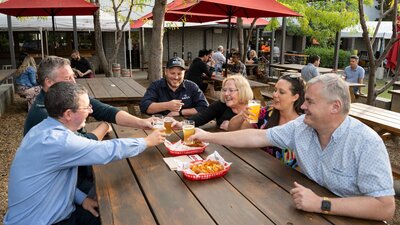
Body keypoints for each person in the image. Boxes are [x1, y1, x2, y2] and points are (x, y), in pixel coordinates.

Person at [190, 74, 395, 221]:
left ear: (335, 107)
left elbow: (385, 208)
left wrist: (321, 204)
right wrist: (208, 136)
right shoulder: (302, 126)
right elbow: (257, 136)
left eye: (310, 102)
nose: (303, 107)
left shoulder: (366, 143)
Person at [3, 82, 165, 225]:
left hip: (49, 213)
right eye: (86, 107)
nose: (90, 110)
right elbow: (107, 150)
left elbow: (51, 182)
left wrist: (82, 199)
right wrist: (147, 142)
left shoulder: (42, 129)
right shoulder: (60, 141)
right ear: (67, 114)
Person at [24, 56, 156, 137]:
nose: (73, 82)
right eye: (67, 78)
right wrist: (104, 127)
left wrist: (141, 122)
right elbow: (83, 143)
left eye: (73, 77)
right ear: (48, 82)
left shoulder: (64, 97)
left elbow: (103, 109)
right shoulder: (44, 113)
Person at [228, 74, 305, 167]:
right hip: (259, 169)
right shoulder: (266, 112)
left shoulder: (302, 124)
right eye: (275, 90)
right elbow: (233, 131)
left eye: (281, 92)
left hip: (288, 178)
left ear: (295, 97)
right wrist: (241, 116)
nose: (275, 95)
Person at [140, 57, 209, 117]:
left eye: (179, 74)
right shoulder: (156, 85)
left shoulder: (192, 86)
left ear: (184, 73)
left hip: (185, 126)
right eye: (172, 73)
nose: (176, 77)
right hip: (160, 126)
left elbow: (205, 107)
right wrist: (167, 105)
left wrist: (180, 112)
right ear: (166, 72)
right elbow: (144, 107)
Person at [188, 75, 253, 130]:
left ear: (242, 91)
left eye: (231, 90)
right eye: (224, 90)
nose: (226, 93)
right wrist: (182, 124)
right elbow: (201, 117)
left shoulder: (253, 109)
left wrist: (231, 127)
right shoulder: (221, 104)